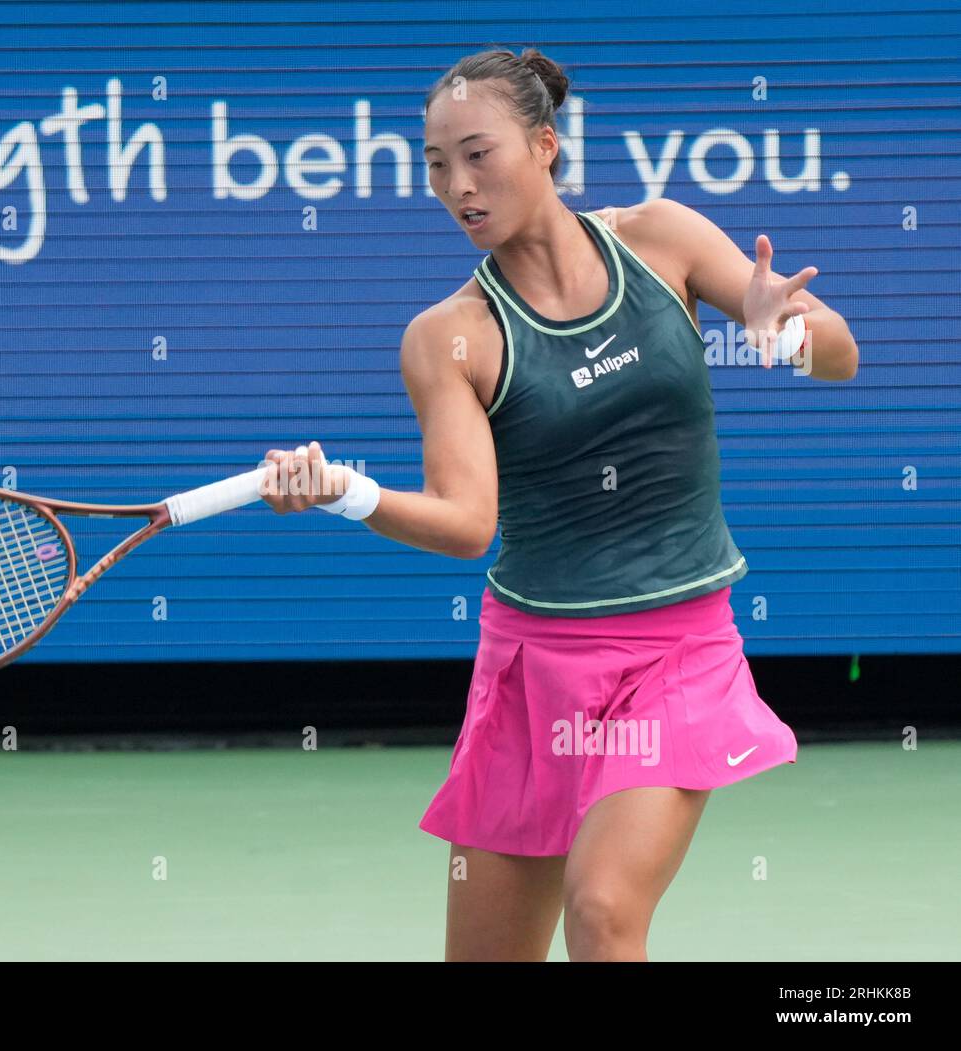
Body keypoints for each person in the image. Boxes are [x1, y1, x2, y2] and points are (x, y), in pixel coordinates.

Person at [258, 46, 858, 961]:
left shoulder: (662, 240)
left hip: (676, 654)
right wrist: (347, 492)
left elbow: (841, 353)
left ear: (545, 146)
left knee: (604, 910)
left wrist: (791, 333)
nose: (457, 185)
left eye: (477, 153)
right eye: (434, 165)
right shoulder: (448, 337)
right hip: (534, 671)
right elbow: (468, 525)